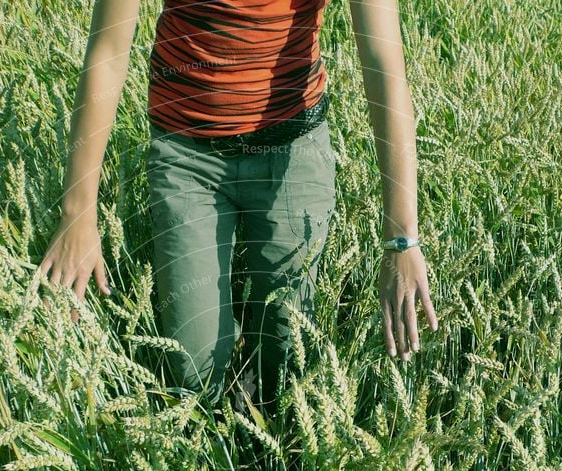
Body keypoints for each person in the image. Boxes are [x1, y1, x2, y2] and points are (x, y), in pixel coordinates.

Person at [38, 0, 439, 417]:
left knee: (284, 361)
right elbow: (107, 51)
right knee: (192, 373)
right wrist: (78, 214)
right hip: (187, 155)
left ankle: (260, 433)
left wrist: (401, 238)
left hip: (291, 150)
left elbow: (383, 63)